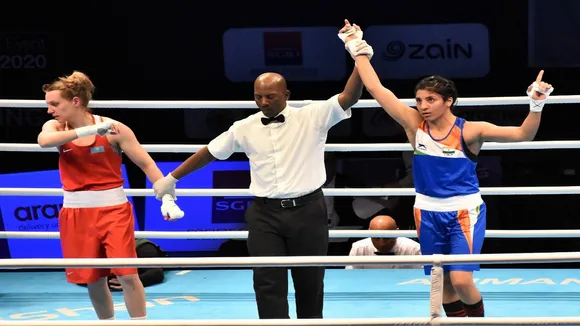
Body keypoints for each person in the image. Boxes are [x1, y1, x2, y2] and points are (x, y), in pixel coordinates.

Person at [152, 22, 365, 320]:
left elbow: (350, 97)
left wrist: (359, 55)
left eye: (271, 96)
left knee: (310, 282)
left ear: (286, 94)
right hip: (265, 214)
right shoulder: (245, 126)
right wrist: (172, 178)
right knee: (266, 282)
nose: (264, 102)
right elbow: (210, 152)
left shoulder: (313, 116)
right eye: (259, 97)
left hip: (308, 211)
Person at [341, 20, 553, 318]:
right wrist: (356, 47)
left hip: (464, 212)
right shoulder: (414, 124)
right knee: (443, 284)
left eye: (431, 99)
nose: (423, 105)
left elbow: (522, 135)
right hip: (426, 212)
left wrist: (536, 104)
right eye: (419, 100)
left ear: (448, 101)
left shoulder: (470, 131)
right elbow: (376, 88)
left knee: (462, 279)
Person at [37, 71, 176, 321]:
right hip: (76, 214)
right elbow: (44, 141)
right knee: (93, 278)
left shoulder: (114, 128)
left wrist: (166, 198)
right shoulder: (56, 128)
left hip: (114, 211)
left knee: (128, 274)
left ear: (76, 101)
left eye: (55, 104)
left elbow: (146, 163)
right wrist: (85, 131)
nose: (49, 110)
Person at [346, 215, 421, 269]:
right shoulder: (359, 248)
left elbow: (422, 279)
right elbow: (350, 278)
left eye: (387, 238)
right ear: (369, 233)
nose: (382, 243)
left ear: (397, 233)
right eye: (377, 238)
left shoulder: (413, 249)